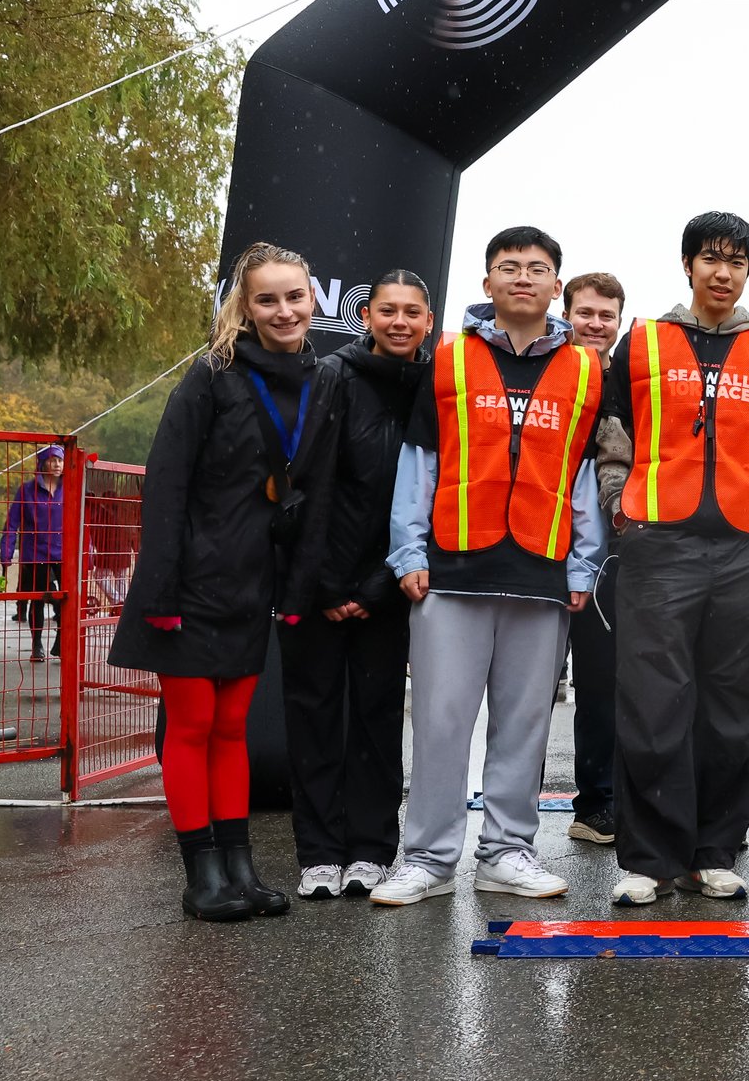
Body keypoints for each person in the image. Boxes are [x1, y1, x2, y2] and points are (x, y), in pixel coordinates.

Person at [374, 228, 603, 908]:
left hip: (541, 572)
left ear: (556, 284)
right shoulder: (447, 360)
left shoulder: (588, 370)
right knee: (442, 720)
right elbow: (420, 462)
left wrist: (584, 564)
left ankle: (507, 850)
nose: (523, 278)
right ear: (488, 283)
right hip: (453, 568)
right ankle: (427, 857)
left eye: (537, 268)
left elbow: (585, 472)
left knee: (525, 722)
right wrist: (409, 550)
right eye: (509, 267)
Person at [109, 242, 325, 923]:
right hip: (191, 581)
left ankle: (240, 868)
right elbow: (167, 486)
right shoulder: (210, 375)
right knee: (194, 724)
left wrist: (293, 587)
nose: (283, 310)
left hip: (253, 579)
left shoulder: (321, 376)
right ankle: (200, 873)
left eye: (294, 296)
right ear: (245, 305)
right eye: (267, 298)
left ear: (313, 298)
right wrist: (161, 592)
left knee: (232, 727)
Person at [592, 212, 749, 906]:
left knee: (734, 704)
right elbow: (611, 430)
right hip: (660, 541)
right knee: (652, 700)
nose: (723, 270)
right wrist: (622, 507)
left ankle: (712, 850)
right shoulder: (642, 340)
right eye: (710, 257)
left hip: (747, 544)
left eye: (736, 260)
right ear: (687, 264)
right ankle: (648, 857)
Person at [287, 270, 434, 900]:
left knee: (377, 723)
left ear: (429, 320)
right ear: (365, 316)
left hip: (392, 586)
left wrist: (377, 585)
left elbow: (429, 495)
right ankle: (319, 853)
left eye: (412, 312)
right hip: (319, 580)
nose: (400, 322)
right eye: (388, 311)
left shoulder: (436, 387)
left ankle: (373, 850)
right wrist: (323, 583)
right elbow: (304, 483)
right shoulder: (331, 376)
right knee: (315, 720)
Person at [560, 271, 627, 845]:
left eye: (606, 315)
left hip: (603, 554)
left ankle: (599, 802)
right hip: (532, 548)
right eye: (585, 313)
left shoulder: (626, 380)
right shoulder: (550, 371)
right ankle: (511, 825)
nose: (595, 324)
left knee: (602, 682)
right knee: (526, 694)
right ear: (567, 313)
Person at [0, 445, 67, 661]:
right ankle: (37, 645)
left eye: (60, 460)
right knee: (39, 598)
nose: (57, 464)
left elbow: (80, 520)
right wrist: (6, 553)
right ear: (42, 463)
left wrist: (89, 555)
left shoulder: (70, 488)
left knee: (67, 599)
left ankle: (61, 641)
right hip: (35, 554)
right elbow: (12, 523)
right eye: (52, 460)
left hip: (64, 553)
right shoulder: (26, 490)